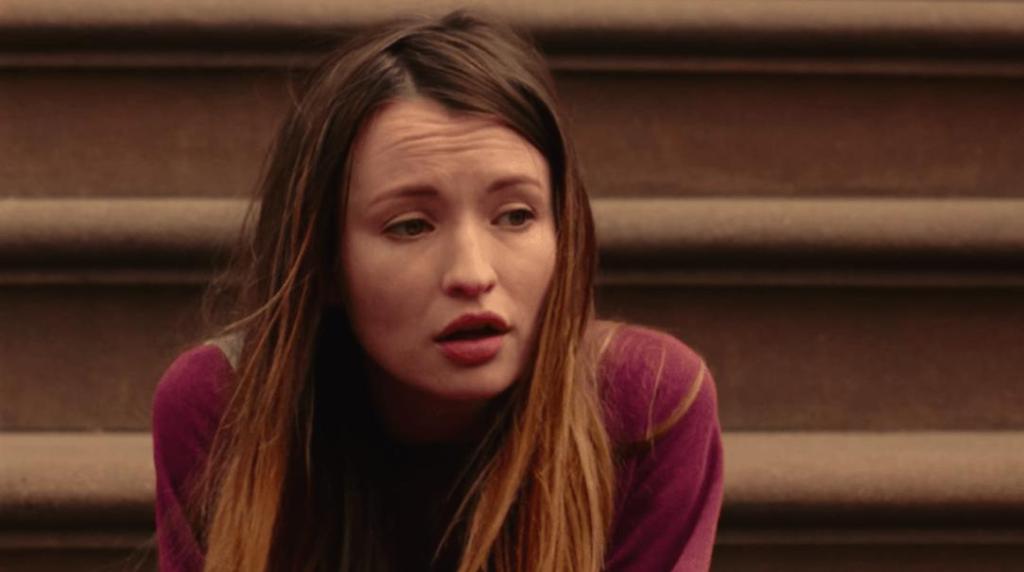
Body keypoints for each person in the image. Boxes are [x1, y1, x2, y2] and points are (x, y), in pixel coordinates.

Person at [152, 10, 723, 572]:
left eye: (516, 216)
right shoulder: (224, 409)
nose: (472, 274)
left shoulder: (646, 403)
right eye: (410, 226)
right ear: (323, 262)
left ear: (564, 234)